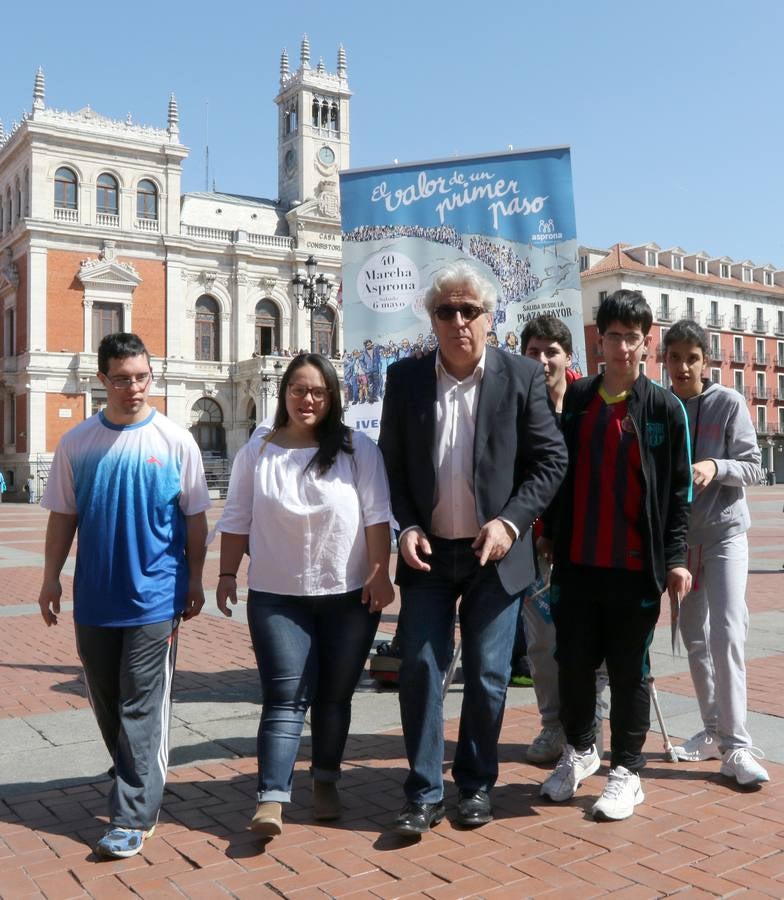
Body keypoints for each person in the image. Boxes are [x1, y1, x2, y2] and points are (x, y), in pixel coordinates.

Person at [379, 260, 567, 835]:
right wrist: (405, 526)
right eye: (446, 311)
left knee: (488, 674)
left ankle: (476, 783)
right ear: (432, 320)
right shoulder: (404, 379)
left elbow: (550, 460)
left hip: (496, 557)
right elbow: (391, 464)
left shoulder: (520, 376)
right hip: (429, 556)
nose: (458, 320)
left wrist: (511, 523)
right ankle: (424, 792)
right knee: (419, 667)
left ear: (489, 318)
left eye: (469, 310)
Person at [37, 332, 210, 859]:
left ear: (150, 376)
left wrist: (197, 579)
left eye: (141, 377)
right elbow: (63, 516)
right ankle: (133, 770)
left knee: (141, 705)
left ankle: (133, 814)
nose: (133, 387)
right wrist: (49, 578)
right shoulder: (78, 443)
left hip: (156, 598)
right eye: (122, 378)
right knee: (106, 700)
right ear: (102, 380)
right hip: (94, 597)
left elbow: (195, 521)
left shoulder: (175, 440)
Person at [216, 353, 394, 839]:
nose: (307, 399)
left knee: (334, 697)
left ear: (333, 397)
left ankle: (326, 782)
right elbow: (236, 516)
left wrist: (380, 575)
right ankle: (271, 798)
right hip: (277, 595)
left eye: (318, 391)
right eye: (298, 389)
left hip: (348, 594)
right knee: (284, 696)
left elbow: (378, 516)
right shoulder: (257, 450)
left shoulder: (358, 449)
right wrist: (227, 573)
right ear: (284, 395)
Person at [541, 290, 692, 821]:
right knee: (573, 665)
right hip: (578, 563)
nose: (624, 346)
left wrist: (675, 559)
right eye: (613, 336)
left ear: (646, 342)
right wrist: (547, 534)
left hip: (635, 568)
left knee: (630, 672)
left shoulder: (665, 409)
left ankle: (627, 772)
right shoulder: (579, 400)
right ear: (598, 340)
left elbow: (678, 494)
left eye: (633, 337)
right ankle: (581, 751)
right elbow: (555, 475)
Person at [664, 320, 768, 785]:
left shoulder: (728, 403)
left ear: (706, 362)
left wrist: (714, 465)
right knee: (694, 638)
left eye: (692, 357)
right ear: (664, 360)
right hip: (681, 542)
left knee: (727, 632)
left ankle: (738, 746)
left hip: (725, 535)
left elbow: (753, 467)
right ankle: (710, 731)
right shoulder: (660, 405)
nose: (683, 366)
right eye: (675, 357)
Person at [509, 316, 576, 759]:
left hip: (584, 542)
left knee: (592, 642)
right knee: (540, 643)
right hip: (533, 544)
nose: (542, 359)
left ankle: (587, 729)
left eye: (551, 351)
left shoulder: (589, 403)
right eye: (533, 351)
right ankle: (552, 726)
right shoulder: (511, 405)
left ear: (567, 357)